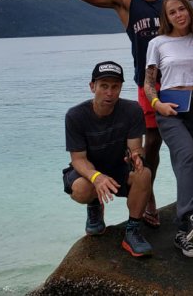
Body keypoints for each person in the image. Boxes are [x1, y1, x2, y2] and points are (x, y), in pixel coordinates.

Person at [73, 0, 193, 228]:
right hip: (150, 86)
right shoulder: (127, 1)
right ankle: (149, 199)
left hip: (191, 87)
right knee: (150, 144)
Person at [143, 0, 193, 258]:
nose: (178, 15)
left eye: (182, 9)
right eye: (172, 12)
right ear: (166, 17)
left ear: (189, 10)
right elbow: (149, 82)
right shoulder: (158, 43)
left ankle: (183, 233)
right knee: (186, 154)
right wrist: (156, 105)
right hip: (170, 107)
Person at [62, 61, 153, 257]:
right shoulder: (75, 116)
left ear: (120, 87)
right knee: (81, 190)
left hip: (118, 168)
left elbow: (135, 148)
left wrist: (136, 157)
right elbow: (78, 159)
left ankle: (133, 230)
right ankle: (94, 204)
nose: (109, 92)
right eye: (104, 86)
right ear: (92, 86)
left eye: (115, 86)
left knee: (143, 173)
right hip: (88, 171)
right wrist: (97, 177)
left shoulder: (132, 110)